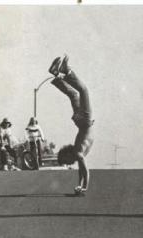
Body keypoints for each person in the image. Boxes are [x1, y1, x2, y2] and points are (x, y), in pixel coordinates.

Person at [48, 55, 94, 195]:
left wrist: (84, 186)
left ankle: (66, 71)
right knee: (74, 95)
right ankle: (57, 75)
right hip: (81, 121)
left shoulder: (78, 153)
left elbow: (85, 171)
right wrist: (80, 186)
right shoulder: (78, 153)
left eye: (66, 161)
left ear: (67, 154)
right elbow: (82, 171)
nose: (69, 163)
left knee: (83, 91)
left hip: (85, 122)